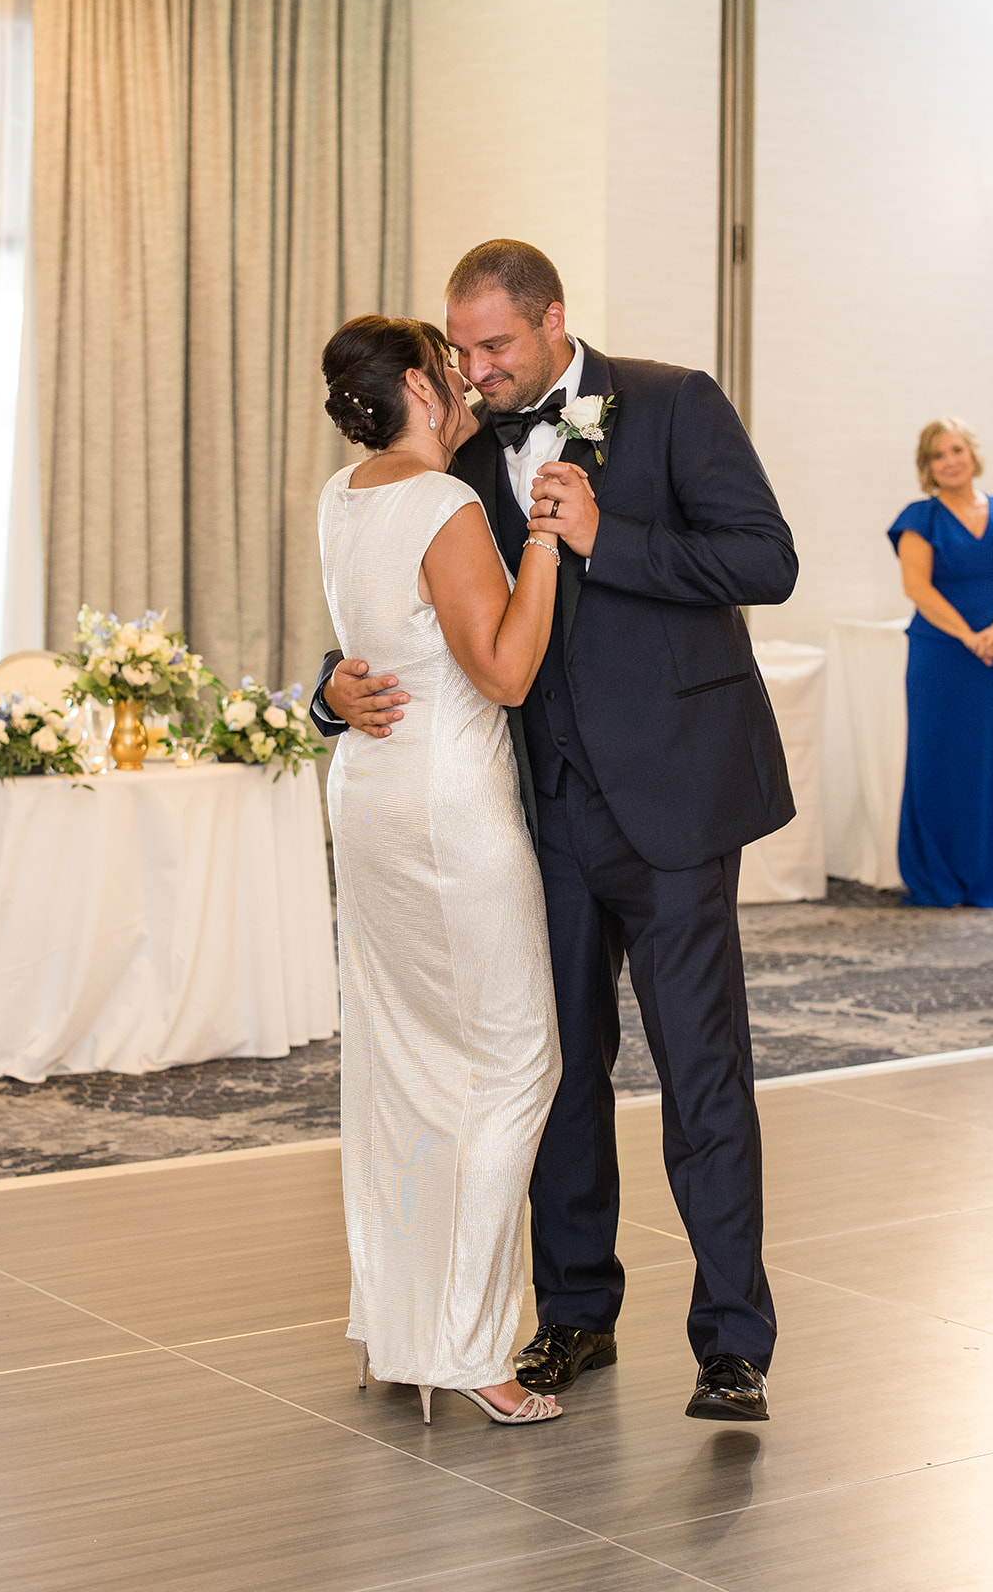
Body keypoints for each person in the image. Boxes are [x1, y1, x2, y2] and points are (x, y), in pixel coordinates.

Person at [313, 241, 798, 1422]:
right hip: (533, 814)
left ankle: (730, 1342)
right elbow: (404, 597)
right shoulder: (456, 455)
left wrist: (605, 539)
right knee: (558, 1073)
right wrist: (329, 683)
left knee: (701, 1074)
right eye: (458, 348)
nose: (472, 371)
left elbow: (764, 563)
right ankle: (576, 1315)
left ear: (551, 322)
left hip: (675, 806)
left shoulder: (675, 402)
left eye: (494, 347)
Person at [318, 312, 575, 1426]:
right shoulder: (444, 502)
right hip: (446, 816)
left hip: (369, 799)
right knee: (516, 1063)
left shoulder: (343, 495)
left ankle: (397, 1325)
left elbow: (375, 644)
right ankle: (470, 1347)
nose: (467, 380)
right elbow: (507, 672)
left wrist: (327, 686)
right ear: (422, 387)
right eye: (448, 364)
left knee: (402, 1066)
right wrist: (547, 542)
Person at [888, 417, 993, 909]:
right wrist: (968, 635)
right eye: (937, 454)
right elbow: (917, 589)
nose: (949, 460)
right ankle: (939, 874)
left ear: (972, 455)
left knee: (990, 758)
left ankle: (992, 873)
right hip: (941, 654)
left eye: (955, 449)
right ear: (927, 467)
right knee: (937, 758)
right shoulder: (920, 518)